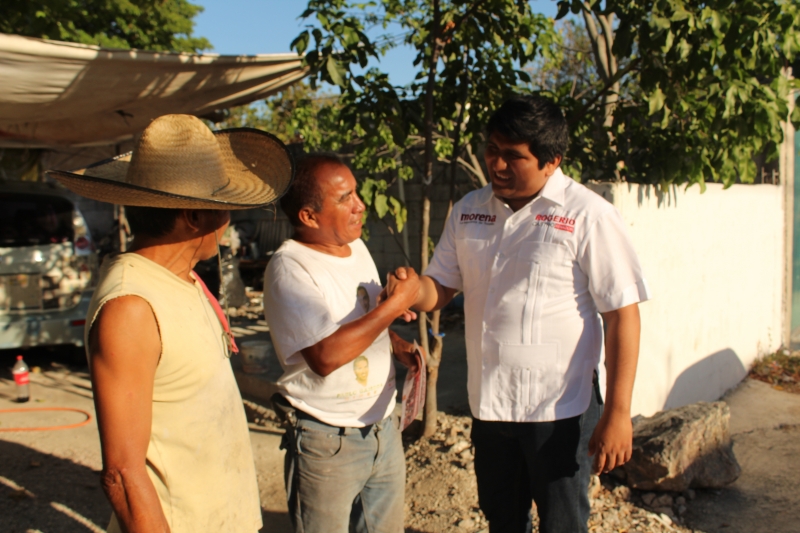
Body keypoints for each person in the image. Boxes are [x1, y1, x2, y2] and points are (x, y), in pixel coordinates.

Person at [386, 94, 650, 533]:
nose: (497, 164)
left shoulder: (589, 216)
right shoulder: (470, 210)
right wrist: (410, 290)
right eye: (492, 149)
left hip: (561, 410)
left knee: (562, 525)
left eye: (514, 156)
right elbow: (441, 287)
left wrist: (619, 412)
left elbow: (622, 315)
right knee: (502, 521)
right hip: (490, 405)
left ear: (552, 161)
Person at [47, 114, 294, 533]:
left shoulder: (183, 279)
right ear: (192, 216)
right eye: (222, 207)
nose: (228, 220)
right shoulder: (131, 307)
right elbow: (123, 475)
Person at [262, 153, 421, 533]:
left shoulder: (357, 247)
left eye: (357, 193)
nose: (359, 205)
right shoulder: (289, 268)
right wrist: (397, 304)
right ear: (309, 217)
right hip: (327, 440)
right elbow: (325, 355)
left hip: (382, 428)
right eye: (345, 198)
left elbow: (360, 324)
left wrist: (393, 341)